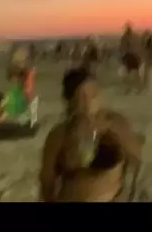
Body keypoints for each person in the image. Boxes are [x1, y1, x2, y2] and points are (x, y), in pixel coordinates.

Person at [40, 66, 143, 202]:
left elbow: (136, 158)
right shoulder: (61, 134)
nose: (90, 101)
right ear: (71, 102)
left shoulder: (115, 123)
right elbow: (47, 181)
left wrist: (112, 135)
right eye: (83, 97)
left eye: (94, 93)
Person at [119, 24, 143, 93]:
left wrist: (122, 57)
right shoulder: (136, 36)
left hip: (129, 56)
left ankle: (130, 88)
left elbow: (123, 48)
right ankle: (138, 88)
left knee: (128, 74)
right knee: (136, 74)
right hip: (136, 56)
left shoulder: (125, 37)